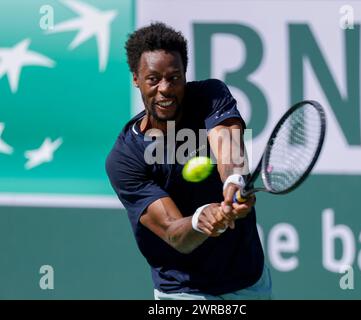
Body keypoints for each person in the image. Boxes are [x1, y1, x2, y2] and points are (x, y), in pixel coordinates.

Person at [106, 22, 272, 300]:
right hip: (184, 291)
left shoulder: (211, 96)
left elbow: (227, 145)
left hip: (249, 280)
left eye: (174, 77)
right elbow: (174, 233)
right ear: (136, 78)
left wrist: (233, 182)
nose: (165, 89)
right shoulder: (125, 158)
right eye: (153, 79)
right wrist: (200, 220)